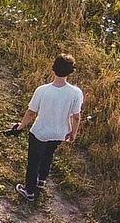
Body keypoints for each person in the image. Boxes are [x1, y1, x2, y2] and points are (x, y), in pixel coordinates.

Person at [10, 54, 83, 200]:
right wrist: (73, 133)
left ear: (53, 68)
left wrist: (19, 127)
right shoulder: (76, 93)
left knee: (34, 161)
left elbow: (31, 113)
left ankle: (29, 191)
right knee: (48, 154)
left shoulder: (42, 90)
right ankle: (41, 180)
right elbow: (76, 116)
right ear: (70, 71)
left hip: (40, 132)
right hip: (60, 132)